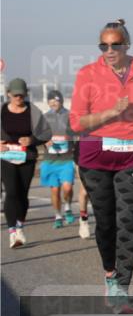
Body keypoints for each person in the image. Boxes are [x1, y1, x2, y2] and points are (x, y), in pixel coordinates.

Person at [70, 19, 133, 309]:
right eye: (104, 45)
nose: (110, 49)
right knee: (106, 223)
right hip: (95, 158)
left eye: (115, 44)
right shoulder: (87, 75)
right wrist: (109, 113)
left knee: (127, 220)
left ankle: (121, 287)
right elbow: (77, 122)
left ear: (127, 45)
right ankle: (109, 271)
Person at [1, 78, 52, 248]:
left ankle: (20, 225)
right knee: (11, 192)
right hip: (6, 157)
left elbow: (46, 133)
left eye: (21, 95)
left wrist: (31, 139)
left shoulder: (33, 111)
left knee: (23, 194)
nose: (18, 98)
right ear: (8, 94)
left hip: (27, 158)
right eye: (15, 95)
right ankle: (12, 232)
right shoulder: (2, 111)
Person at [40, 90, 77, 229]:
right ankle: (58, 215)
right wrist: (45, 141)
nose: (54, 103)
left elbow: (77, 134)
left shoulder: (70, 116)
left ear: (61, 101)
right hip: (50, 160)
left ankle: (67, 206)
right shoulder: (45, 117)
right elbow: (39, 136)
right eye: (51, 100)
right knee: (55, 190)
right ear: (48, 102)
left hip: (66, 159)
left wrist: (72, 139)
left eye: (56, 100)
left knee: (67, 188)